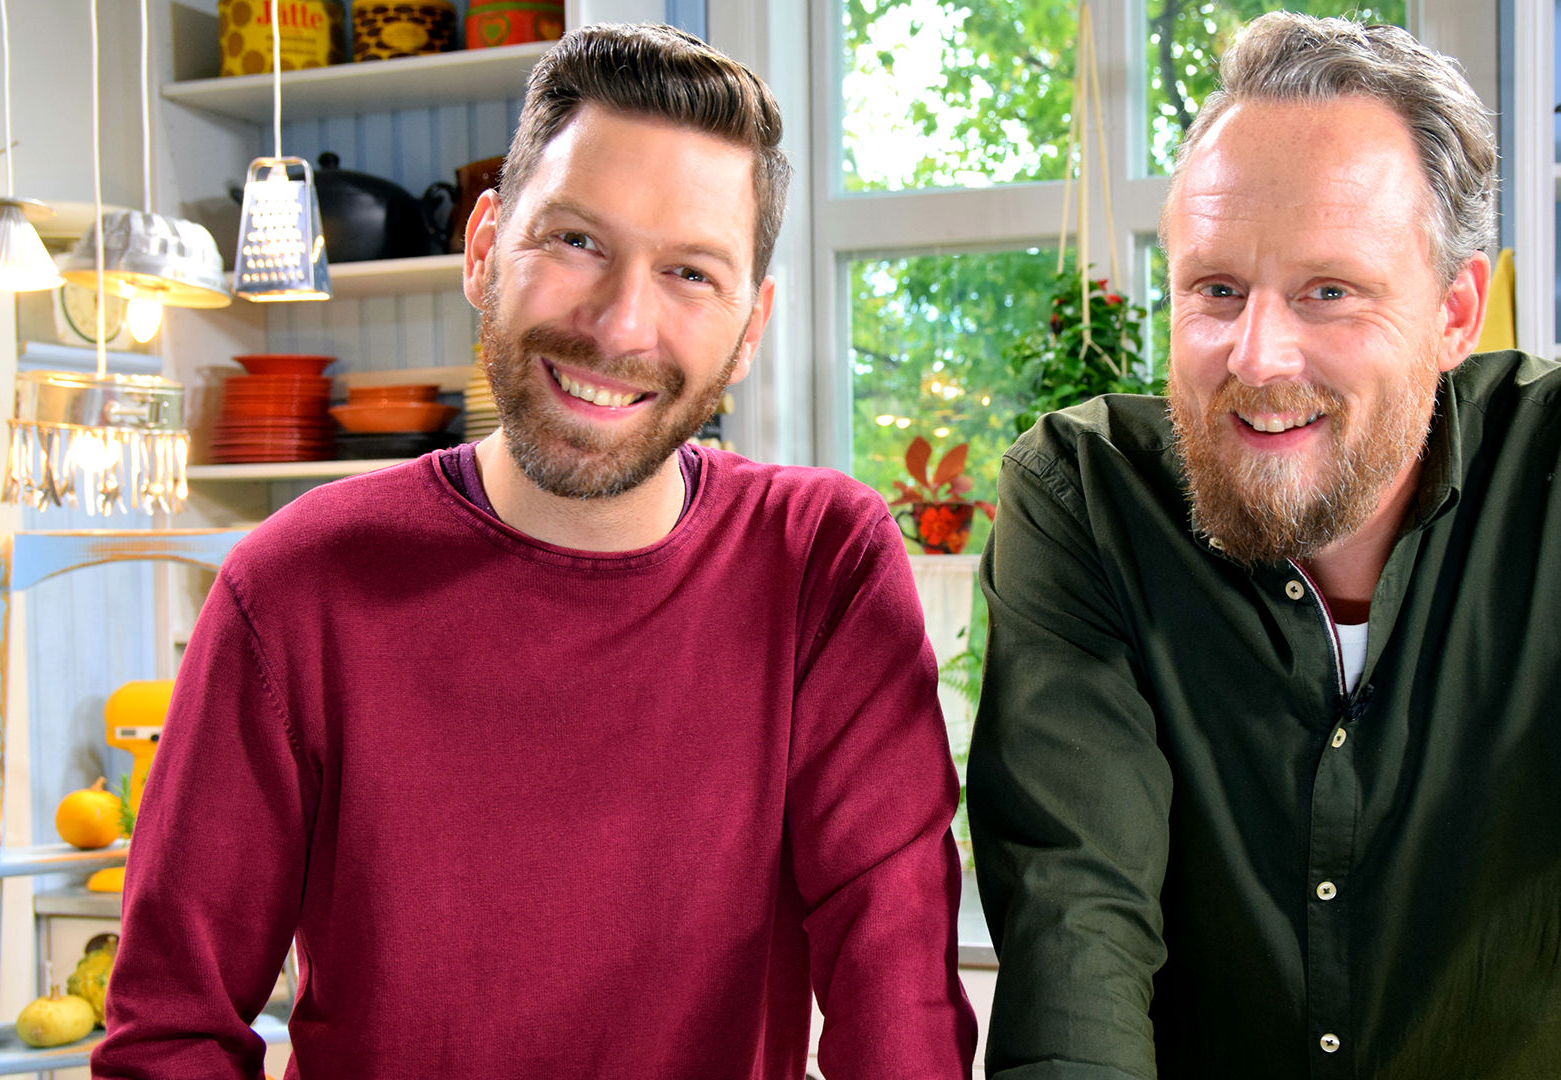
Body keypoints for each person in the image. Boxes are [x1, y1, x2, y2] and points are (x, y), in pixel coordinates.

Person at [966, 12, 1561, 1080]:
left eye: (1330, 292)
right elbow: (1075, 925)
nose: (1258, 357)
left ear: (1457, 313)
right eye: (1217, 290)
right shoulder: (1084, 496)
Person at [96, 24, 976, 1080]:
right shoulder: (295, 584)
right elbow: (171, 1033)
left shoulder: (821, 563)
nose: (620, 325)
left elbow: (898, 1000)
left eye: (690, 272)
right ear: (483, 250)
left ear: (751, 327)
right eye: (576, 241)